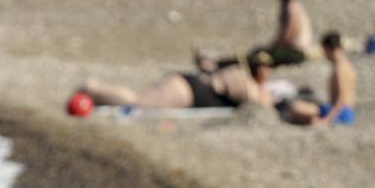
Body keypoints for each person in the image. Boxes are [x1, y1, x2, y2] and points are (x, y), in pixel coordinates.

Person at [79, 50, 275, 110]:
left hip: (185, 84)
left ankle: (95, 95)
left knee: (138, 98)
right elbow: (258, 104)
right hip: (188, 92)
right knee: (136, 102)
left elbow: (207, 65)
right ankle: (91, 88)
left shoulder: (235, 70)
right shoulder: (245, 81)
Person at [195, 0, 315, 71]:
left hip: (294, 52)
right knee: (255, 53)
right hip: (293, 50)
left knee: (255, 59)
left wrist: (270, 48)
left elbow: (288, 36)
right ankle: (217, 62)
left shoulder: (291, 7)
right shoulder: (292, 5)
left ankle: (216, 64)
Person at [282, 31, 357, 126]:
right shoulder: (347, 66)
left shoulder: (340, 69)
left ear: (327, 49)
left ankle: (316, 121)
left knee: (295, 107)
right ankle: (314, 121)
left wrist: (328, 119)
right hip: (346, 112)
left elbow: (341, 99)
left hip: (341, 113)